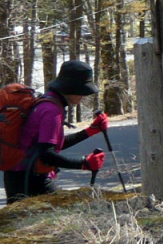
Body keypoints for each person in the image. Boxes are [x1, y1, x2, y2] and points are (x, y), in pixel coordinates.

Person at [3, 59, 107, 202]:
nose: (83, 96)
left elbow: (49, 144)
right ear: (71, 88)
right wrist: (84, 163)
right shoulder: (51, 111)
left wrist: (90, 131)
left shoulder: (48, 101)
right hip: (29, 178)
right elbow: (47, 154)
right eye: (82, 91)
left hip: (20, 175)